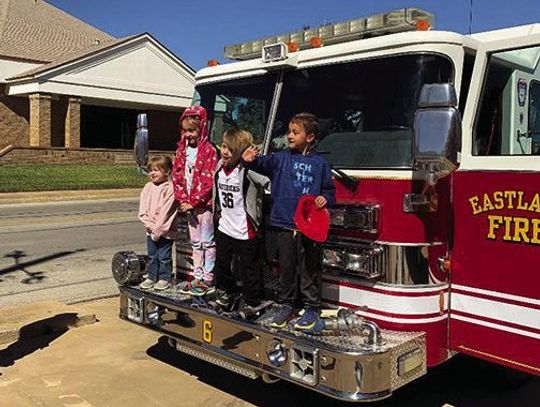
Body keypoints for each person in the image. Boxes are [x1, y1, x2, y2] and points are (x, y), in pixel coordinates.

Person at [242, 113, 335, 330]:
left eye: (295, 132)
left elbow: (330, 191)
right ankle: (286, 305)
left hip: (309, 227)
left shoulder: (320, 163)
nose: (289, 136)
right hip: (284, 223)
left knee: (309, 268)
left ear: (310, 137)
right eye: (289, 132)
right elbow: (260, 163)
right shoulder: (280, 158)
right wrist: (249, 159)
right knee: (286, 267)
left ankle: (312, 307)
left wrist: (325, 198)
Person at [213, 128, 269, 317]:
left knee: (249, 268)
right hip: (225, 225)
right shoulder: (219, 166)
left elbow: (268, 181)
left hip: (245, 229)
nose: (225, 152)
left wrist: (252, 161)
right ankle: (227, 292)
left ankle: (252, 301)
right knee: (221, 262)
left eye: (231, 149)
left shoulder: (247, 171)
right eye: (224, 146)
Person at [172, 106, 218, 295]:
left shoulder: (208, 151)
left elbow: (209, 180)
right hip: (188, 206)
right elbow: (177, 176)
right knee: (196, 243)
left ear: (202, 129)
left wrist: (196, 201)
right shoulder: (181, 151)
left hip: (203, 207)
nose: (188, 135)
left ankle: (208, 277)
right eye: (185, 131)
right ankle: (196, 275)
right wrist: (182, 200)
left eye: (192, 130)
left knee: (207, 242)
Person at [138, 156, 178, 290]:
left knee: (164, 256)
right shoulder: (147, 188)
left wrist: (158, 230)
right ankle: (151, 276)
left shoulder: (170, 188)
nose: (153, 173)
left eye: (157, 170)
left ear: (167, 172)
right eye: (150, 170)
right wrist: (150, 227)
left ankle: (164, 278)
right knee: (152, 255)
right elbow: (142, 211)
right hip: (150, 231)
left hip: (165, 232)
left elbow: (167, 213)